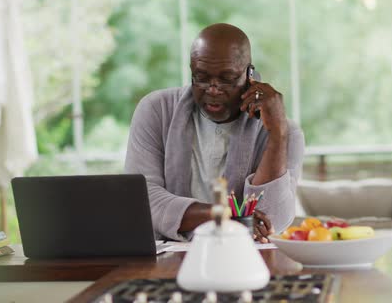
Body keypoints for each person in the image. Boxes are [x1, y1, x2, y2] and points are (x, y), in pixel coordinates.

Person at [125, 23, 304, 242]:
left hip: (244, 257)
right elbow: (142, 199)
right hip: (169, 255)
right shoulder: (157, 110)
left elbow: (272, 221)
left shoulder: (286, 132)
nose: (212, 88)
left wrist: (277, 136)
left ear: (250, 75)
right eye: (201, 76)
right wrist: (223, 216)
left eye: (227, 78)